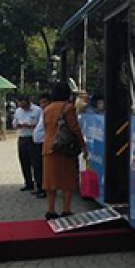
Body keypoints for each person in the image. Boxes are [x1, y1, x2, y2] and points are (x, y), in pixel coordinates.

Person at [42, 83, 88, 220]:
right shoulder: (68, 108)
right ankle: (66, 209)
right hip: (64, 148)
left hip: (48, 147)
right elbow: (74, 128)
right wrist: (83, 146)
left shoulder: (47, 108)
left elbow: (46, 128)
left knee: (50, 181)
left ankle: (50, 210)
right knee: (67, 179)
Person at [12, 95, 42, 192]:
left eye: (22, 103)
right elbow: (14, 123)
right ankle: (28, 182)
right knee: (24, 161)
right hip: (22, 137)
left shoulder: (37, 110)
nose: (20, 105)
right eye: (18, 103)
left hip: (33, 137)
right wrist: (18, 125)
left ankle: (39, 184)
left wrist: (30, 125)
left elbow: (41, 124)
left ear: (28, 101)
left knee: (35, 162)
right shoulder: (18, 111)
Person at [32, 93, 51, 199]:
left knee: (42, 167)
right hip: (37, 142)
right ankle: (39, 187)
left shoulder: (50, 112)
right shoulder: (43, 112)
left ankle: (44, 189)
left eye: (44, 102)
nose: (42, 105)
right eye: (41, 103)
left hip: (44, 142)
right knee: (37, 166)